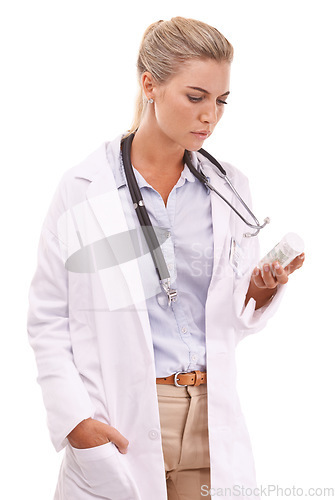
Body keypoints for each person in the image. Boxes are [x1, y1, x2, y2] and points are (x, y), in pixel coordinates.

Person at [27, 16, 305, 500]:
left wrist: (260, 290)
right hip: (125, 414)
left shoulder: (229, 187)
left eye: (221, 101)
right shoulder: (83, 190)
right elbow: (48, 318)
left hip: (210, 414)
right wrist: (74, 421)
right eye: (195, 97)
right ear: (149, 85)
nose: (210, 117)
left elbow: (226, 320)